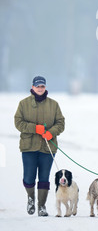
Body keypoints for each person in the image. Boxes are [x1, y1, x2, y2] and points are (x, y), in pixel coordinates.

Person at [14, 76, 65, 216]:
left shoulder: (53, 104)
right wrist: (34, 128)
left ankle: (41, 206)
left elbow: (61, 123)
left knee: (44, 177)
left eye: (42, 86)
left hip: (48, 148)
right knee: (29, 177)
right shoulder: (23, 104)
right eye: (38, 86)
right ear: (33, 87)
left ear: (45, 87)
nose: (40, 88)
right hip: (28, 147)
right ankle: (31, 198)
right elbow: (18, 122)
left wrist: (51, 132)